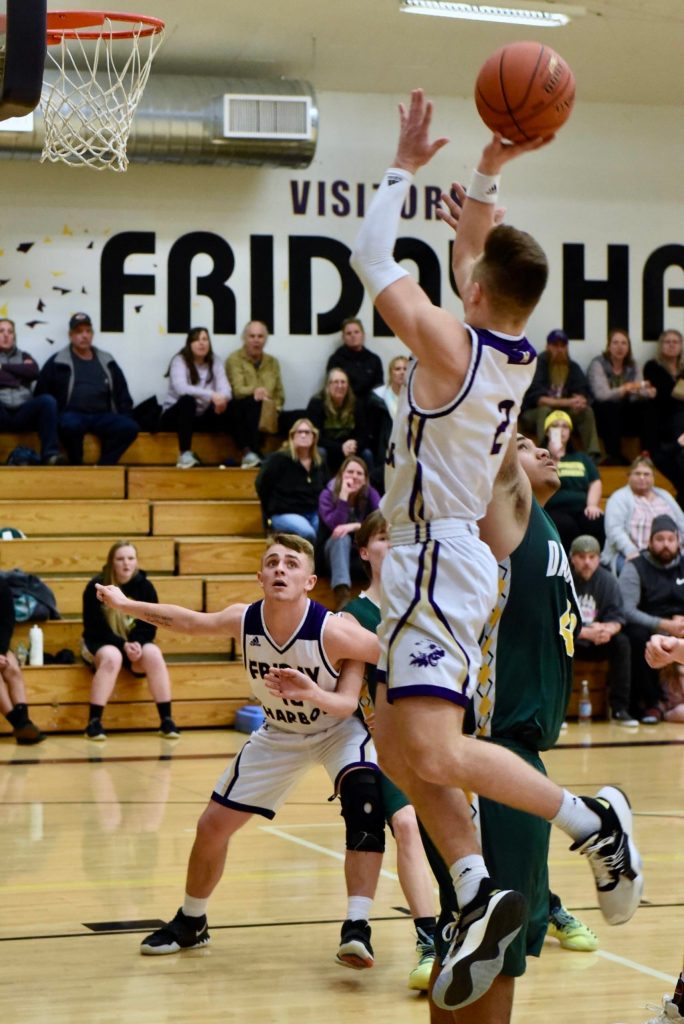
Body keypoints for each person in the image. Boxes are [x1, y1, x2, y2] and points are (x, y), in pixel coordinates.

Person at [349, 89, 642, 1012]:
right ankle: (477, 889)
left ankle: (592, 820)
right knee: (392, 740)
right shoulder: (501, 343)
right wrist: (487, 166)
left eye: (466, 272)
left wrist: (401, 166)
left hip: (435, 558)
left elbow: (371, 258)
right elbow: (476, 246)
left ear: (473, 292)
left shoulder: (450, 347)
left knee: (435, 750)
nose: (460, 272)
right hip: (436, 558)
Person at [95, 533, 386, 968]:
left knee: (365, 802)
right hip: (279, 733)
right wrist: (125, 605)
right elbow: (188, 622)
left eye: (291, 563)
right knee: (211, 826)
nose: (280, 568)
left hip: (336, 730)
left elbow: (385, 663)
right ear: (260, 577)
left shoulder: (335, 631)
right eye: (272, 562)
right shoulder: (244, 619)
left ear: (310, 581)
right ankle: (192, 920)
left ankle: (357, 927)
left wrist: (317, 694)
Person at [418, 430, 599, 1024]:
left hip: (503, 758)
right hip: (492, 755)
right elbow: (486, 427)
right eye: (524, 444)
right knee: (494, 949)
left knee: (464, 936)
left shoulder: (543, 529)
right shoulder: (501, 518)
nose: (544, 450)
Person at [345, 510, 438, 992]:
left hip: (429, 734)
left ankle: (540, 903)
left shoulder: (420, 605)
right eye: (383, 538)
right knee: (405, 824)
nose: (393, 545)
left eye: (398, 538)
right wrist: (365, 711)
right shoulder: (352, 615)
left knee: (465, 826)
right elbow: (348, 686)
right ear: (365, 551)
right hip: (377, 744)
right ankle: (428, 941)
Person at [81, 540, 179, 740]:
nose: (126, 563)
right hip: (101, 642)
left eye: (130, 558)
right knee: (112, 657)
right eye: (120, 559)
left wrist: (137, 643)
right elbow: (94, 628)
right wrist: (123, 645)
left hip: (132, 644)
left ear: (136, 561)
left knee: (153, 653)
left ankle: (167, 721)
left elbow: (150, 624)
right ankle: (93, 723)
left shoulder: (145, 587)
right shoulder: (96, 587)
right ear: (112, 562)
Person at [35, 312, 139, 466]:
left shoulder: (107, 360)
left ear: (92, 334)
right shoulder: (57, 362)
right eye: (79, 332)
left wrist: (126, 416)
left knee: (130, 427)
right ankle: (77, 464)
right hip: (72, 415)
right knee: (70, 425)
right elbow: (41, 394)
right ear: (71, 335)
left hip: (102, 416)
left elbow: (122, 393)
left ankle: (104, 466)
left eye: (88, 331)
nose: (84, 336)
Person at [619, 514, 684, 723]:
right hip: (649, 624)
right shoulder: (635, 566)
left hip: (681, 624)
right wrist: (664, 625)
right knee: (635, 636)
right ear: (649, 542)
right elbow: (627, 610)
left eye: (670, 539)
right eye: (660, 539)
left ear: (678, 541)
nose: (666, 544)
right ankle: (651, 703)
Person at [569, 534, 637, 725]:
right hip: (572, 640)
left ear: (599, 559)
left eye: (592, 557)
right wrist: (584, 632)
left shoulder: (608, 581)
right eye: (581, 557)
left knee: (622, 642)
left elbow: (618, 618)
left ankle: (619, 709)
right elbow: (555, 621)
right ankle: (559, 710)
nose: (587, 562)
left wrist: (608, 630)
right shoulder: (564, 580)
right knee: (556, 642)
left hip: (599, 641)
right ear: (572, 558)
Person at [520, 328, 601, 459]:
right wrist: (569, 402)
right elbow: (539, 399)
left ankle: (592, 456)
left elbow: (584, 392)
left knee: (586, 412)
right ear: (548, 346)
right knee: (545, 411)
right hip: (533, 414)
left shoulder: (572, 367)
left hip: (564, 414)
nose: (559, 349)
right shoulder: (537, 365)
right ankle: (545, 455)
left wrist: (581, 401)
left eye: (563, 346)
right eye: (555, 345)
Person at [160, 327, 233, 468]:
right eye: (197, 340)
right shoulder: (179, 360)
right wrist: (212, 395)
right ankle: (184, 454)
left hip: (200, 417)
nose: (201, 343)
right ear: (189, 344)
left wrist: (222, 399)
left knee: (232, 405)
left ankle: (246, 453)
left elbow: (226, 390)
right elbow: (182, 389)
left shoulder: (215, 361)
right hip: (175, 417)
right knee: (188, 401)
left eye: (205, 339)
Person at [601, 455, 684, 576]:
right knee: (634, 573)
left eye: (646, 474)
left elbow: (681, 522)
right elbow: (614, 531)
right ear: (629, 476)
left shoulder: (665, 496)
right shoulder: (618, 498)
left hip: (669, 553)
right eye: (637, 473)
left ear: (653, 477)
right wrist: (631, 551)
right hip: (631, 554)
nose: (642, 477)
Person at [318, 455, 381, 611]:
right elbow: (335, 525)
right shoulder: (327, 494)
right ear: (341, 474)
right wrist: (343, 497)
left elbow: (379, 523)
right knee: (341, 537)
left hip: (361, 555)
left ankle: (380, 598)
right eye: (350, 472)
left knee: (381, 542)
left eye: (359, 473)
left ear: (365, 479)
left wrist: (355, 526)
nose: (354, 476)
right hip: (332, 555)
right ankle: (343, 598)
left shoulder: (371, 494)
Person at [0, 317, 66, 465]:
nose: (6, 335)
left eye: (10, 332)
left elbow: (33, 372)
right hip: (2, 412)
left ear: (14, 336)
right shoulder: (24, 361)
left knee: (47, 401)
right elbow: (25, 373)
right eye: (1, 331)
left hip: (23, 411)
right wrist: (18, 377)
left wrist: (3, 368)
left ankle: (51, 455)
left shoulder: (24, 356)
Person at [587, 328, 656, 465]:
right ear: (608, 346)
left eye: (624, 343)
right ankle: (614, 456)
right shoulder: (598, 364)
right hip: (602, 411)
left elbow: (639, 391)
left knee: (648, 407)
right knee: (611, 406)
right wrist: (626, 388)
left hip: (625, 410)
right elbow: (602, 395)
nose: (620, 347)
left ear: (628, 347)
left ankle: (648, 454)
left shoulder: (633, 365)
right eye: (615, 343)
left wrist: (648, 392)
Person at [255, 418, 328, 544]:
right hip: (285, 513)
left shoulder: (319, 461)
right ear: (292, 436)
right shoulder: (278, 459)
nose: (303, 435)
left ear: (314, 437)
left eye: (307, 432)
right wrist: (269, 510)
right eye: (299, 432)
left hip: (313, 512)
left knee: (327, 530)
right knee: (308, 533)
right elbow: (261, 484)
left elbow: (327, 486)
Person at [225, 320, 285, 468]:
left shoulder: (273, 362)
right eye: (252, 336)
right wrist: (256, 391)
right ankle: (251, 452)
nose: (256, 340)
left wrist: (276, 409)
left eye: (260, 336)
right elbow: (237, 390)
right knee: (250, 404)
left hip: (269, 411)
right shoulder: (234, 359)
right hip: (242, 410)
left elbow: (279, 394)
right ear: (244, 338)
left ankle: (286, 459)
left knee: (301, 417)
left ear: (265, 339)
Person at [543, 409, 605, 552]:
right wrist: (555, 457)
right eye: (555, 426)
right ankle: (570, 562)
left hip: (581, 508)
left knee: (595, 520)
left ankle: (592, 561)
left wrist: (592, 505)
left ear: (570, 432)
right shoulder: (542, 457)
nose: (561, 430)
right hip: (554, 509)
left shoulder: (581, 458)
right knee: (565, 525)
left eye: (565, 426)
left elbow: (595, 481)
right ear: (547, 432)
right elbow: (542, 482)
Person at [306, 366, 374, 476]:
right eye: (336, 382)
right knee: (321, 452)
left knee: (367, 454)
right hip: (329, 449)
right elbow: (315, 436)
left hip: (351, 449)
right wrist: (340, 447)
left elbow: (364, 434)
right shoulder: (317, 403)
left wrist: (355, 444)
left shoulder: (356, 403)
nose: (340, 386)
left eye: (343, 382)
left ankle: (369, 486)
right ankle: (324, 485)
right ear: (328, 385)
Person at [0, 579, 44, 744]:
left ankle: (24, 724)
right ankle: (20, 724)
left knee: (12, 668)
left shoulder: (1, 585)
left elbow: (7, 622)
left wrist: (1, 651)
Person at [642, 329, 684, 501]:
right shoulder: (653, 367)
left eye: (675, 342)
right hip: (663, 422)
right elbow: (665, 395)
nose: (671, 345)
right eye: (667, 341)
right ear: (661, 345)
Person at [368, 354, 409, 488]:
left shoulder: (416, 396)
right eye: (397, 369)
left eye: (405, 369)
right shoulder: (378, 397)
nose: (402, 372)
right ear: (390, 373)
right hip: (384, 445)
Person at [326, 318, 384, 404]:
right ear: (343, 337)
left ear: (363, 335)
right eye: (348, 333)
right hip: (344, 406)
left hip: (369, 407)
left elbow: (379, 389)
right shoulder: (335, 360)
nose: (353, 336)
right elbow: (333, 388)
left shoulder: (374, 360)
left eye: (356, 332)